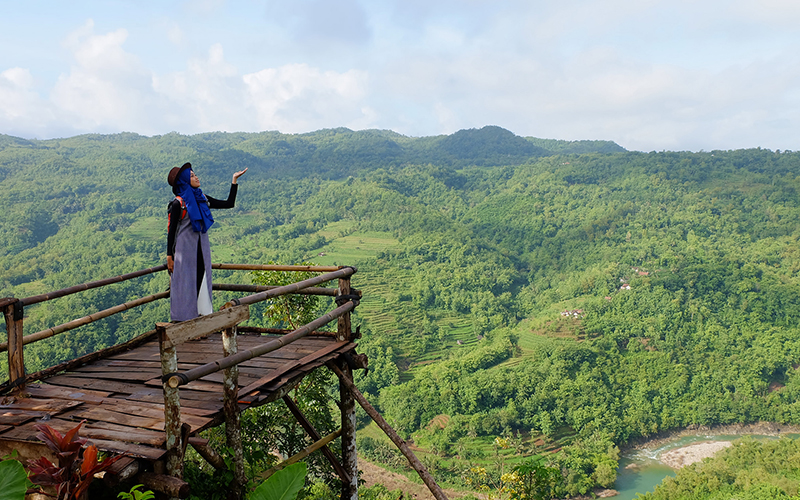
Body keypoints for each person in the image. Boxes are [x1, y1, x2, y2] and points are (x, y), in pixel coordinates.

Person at [166, 162, 248, 321]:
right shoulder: (178, 204)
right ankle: (184, 322)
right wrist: (170, 255)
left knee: (201, 282)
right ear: (183, 181)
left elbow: (229, 204)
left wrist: (234, 180)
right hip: (184, 251)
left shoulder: (201, 198)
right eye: (191, 175)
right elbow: (171, 231)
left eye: (194, 174)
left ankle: (200, 321)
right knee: (185, 286)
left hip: (200, 249)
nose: (196, 177)